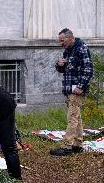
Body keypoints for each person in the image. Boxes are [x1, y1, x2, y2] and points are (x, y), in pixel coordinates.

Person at [50, 28, 93, 156]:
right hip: (69, 89)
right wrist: (59, 64)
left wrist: (80, 86)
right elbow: (62, 70)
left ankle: (67, 146)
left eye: (62, 40)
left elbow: (88, 69)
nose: (60, 43)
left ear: (70, 38)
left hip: (77, 90)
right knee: (76, 116)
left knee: (72, 117)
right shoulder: (67, 51)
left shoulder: (81, 47)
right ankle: (78, 144)